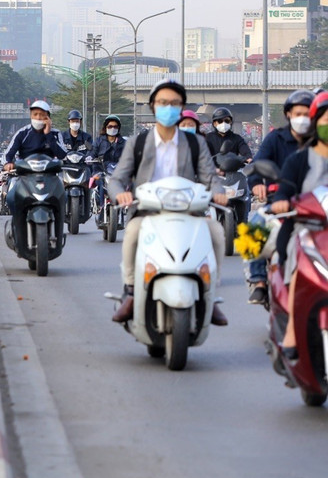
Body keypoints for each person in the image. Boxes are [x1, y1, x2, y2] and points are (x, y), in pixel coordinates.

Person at [109, 79, 228, 325]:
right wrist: (121, 193)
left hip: (189, 212)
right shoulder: (138, 143)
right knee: (131, 233)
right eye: (163, 102)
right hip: (148, 212)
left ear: (181, 106)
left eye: (175, 103)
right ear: (153, 106)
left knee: (216, 232)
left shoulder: (196, 143)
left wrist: (218, 191)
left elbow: (209, 176)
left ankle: (210, 294)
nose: (169, 108)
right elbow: (117, 179)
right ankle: (131, 291)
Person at [267, 91, 328, 354]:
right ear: (316, 123)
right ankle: (292, 328)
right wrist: (281, 201)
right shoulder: (298, 160)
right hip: (306, 231)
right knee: (295, 257)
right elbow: (284, 191)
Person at [245, 89, 316, 304]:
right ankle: (259, 282)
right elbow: (258, 164)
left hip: (316, 207)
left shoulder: (320, 142)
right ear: (288, 115)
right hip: (279, 205)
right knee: (254, 228)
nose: (302, 118)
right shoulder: (275, 139)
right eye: (298, 113)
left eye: (307, 113)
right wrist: (257, 184)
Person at [3, 101, 68, 171]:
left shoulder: (56, 133)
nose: (38, 117)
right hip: (25, 176)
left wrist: (48, 134)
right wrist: (8, 163)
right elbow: (8, 154)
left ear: (48, 117)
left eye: (42, 114)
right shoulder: (22, 133)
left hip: (49, 175)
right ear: (31, 116)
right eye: (35, 114)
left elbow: (62, 155)